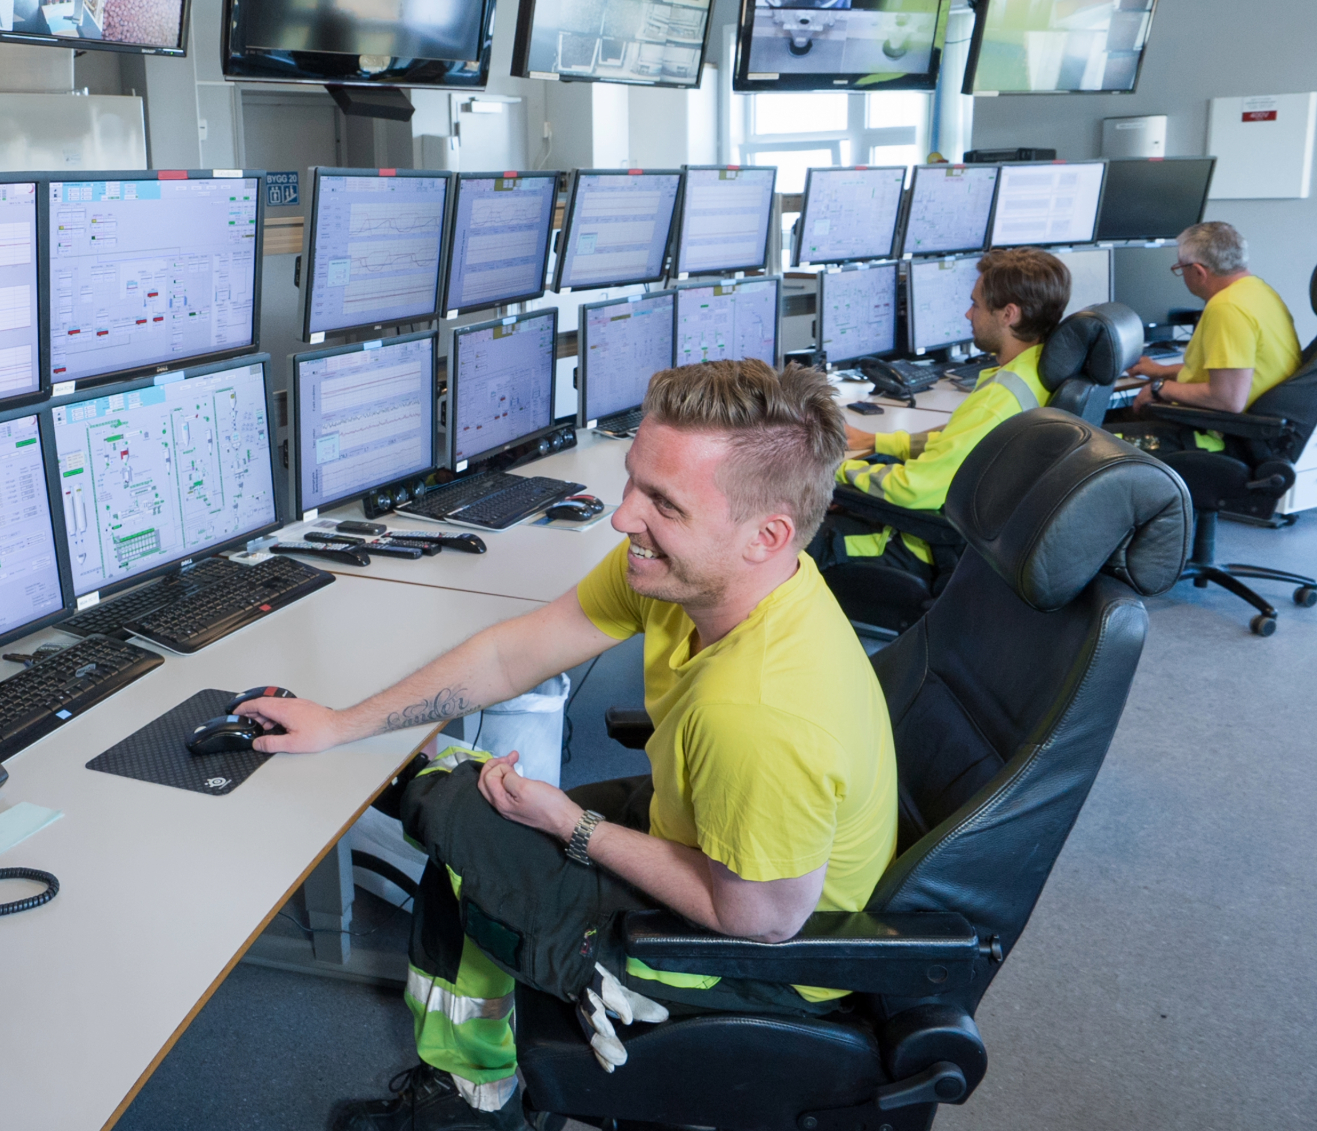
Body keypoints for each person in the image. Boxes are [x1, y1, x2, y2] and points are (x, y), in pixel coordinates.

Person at [237, 360, 897, 1131]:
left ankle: (469, 1111)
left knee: (457, 817)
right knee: (467, 828)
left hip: (755, 961)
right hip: (706, 839)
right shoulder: (702, 576)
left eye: (664, 503)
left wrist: (573, 827)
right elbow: (509, 657)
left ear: (767, 536)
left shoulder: (760, 711)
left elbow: (760, 920)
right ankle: (469, 1090)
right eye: (634, 482)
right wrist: (342, 724)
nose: (623, 518)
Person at [808, 247, 1070, 583]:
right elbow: (958, 446)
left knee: (797, 541)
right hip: (982, 532)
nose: (968, 314)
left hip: (922, 544)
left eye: (976, 304)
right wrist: (876, 442)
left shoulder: (997, 401)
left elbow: (914, 490)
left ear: (1009, 314)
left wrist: (835, 474)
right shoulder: (1037, 372)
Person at [1124, 220, 1301, 451]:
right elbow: (1224, 374)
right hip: (1251, 433)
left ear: (1198, 272)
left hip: (1216, 439)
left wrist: (1159, 388)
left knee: (1105, 444)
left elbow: (1228, 398)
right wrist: (1159, 371)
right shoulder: (1260, 292)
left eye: (1180, 268)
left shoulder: (1226, 308)